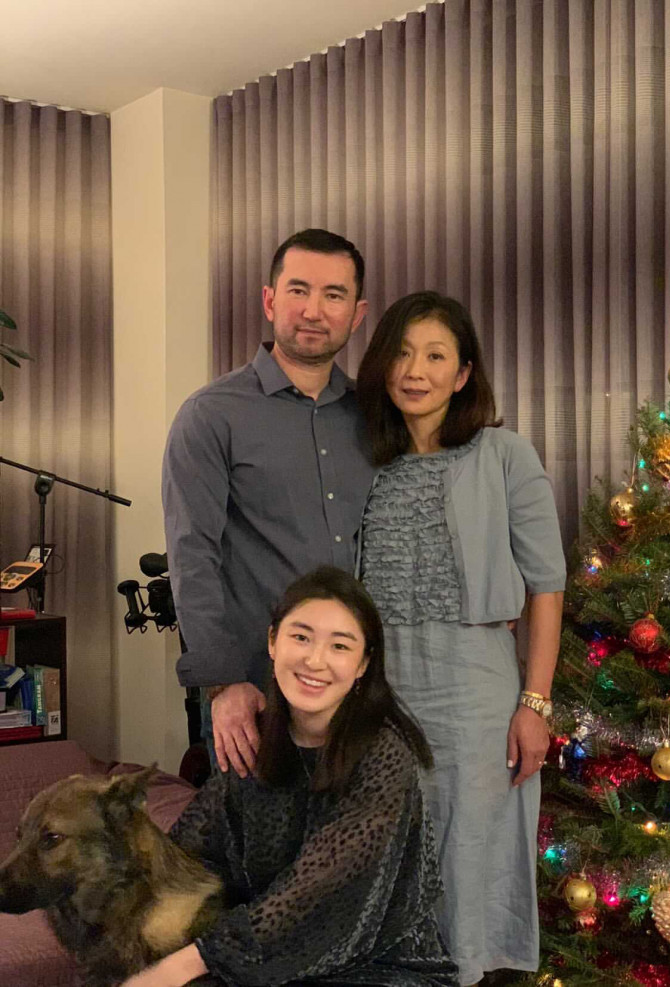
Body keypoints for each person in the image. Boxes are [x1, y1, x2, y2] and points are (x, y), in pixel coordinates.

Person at [355, 292, 566, 986]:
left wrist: (534, 703)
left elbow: (547, 586)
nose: (415, 370)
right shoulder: (364, 462)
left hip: (476, 688)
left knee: (469, 852)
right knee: (386, 848)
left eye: (435, 355)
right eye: (401, 353)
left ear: (464, 372)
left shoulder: (504, 454)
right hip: (380, 689)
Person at [120, 566, 459, 987]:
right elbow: (188, 855)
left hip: (377, 964)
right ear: (272, 642)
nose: (315, 660)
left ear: (363, 664)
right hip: (262, 956)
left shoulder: (385, 755)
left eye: (340, 646)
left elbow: (317, 892)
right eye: (301, 637)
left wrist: (187, 963)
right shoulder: (255, 739)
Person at [162, 229, 376, 777]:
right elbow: (192, 556)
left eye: (333, 295)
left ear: (356, 314)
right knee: (255, 833)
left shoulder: (374, 417)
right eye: (298, 289)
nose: (313, 310)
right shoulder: (212, 415)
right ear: (269, 300)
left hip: (359, 690)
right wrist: (222, 684)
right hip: (256, 693)